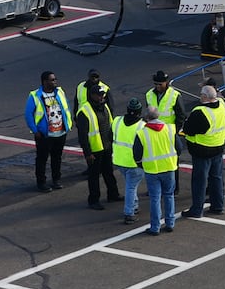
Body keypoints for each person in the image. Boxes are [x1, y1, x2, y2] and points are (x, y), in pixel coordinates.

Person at [180, 84, 225, 218]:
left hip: (202, 150)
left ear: (204, 97)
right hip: (218, 146)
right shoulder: (221, 104)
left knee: (199, 181)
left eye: (201, 94)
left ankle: (197, 209)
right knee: (217, 177)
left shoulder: (200, 112)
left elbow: (188, 129)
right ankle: (218, 205)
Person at [75, 82, 121, 210]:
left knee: (108, 171)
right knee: (94, 176)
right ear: (92, 96)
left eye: (103, 95)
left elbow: (110, 124)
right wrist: (87, 153)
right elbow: (82, 135)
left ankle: (113, 194)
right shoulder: (84, 112)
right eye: (99, 95)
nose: (101, 97)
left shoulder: (104, 107)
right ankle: (93, 200)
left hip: (106, 146)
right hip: (95, 149)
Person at [135, 105, 178, 235]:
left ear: (146, 118)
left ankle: (155, 227)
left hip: (152, 170)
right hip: (169, 167)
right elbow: (179, 147)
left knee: (155, 198)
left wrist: (142, 165)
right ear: (158, 115)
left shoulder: (142, 133)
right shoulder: (170, 129)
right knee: (169, 196)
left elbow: (137, 154)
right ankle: (170, 223)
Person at [24, 71, 70, 192]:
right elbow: (28, 114)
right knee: (42, 159)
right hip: (45, 134)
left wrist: (67, 125)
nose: (55, 82)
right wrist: (35, 130)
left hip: (60, 132)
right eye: (52, 80)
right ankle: (41, 182)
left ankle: (56, 180)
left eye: (55, 79)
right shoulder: (35, 95)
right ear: (45, 82)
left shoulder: (60, 92)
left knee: (57, 158)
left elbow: (66, 107)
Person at [111, 97, 145, 225]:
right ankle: (129, 213)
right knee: (131, 187)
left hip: (119, 160)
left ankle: (134, 206)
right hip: (135, 163)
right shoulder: (142, 126)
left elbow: (110, 136)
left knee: (131, 185)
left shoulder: (117, 121)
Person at [146, 70, 182, 186]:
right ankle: (157, 185)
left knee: (172, 161)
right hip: (153, 132)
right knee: (155, 160)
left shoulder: (175, 95)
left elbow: (181, 115)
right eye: (155, 84)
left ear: (166, 83)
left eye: (160, 84)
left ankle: (174, 186)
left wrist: (174, 131)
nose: (157, 87)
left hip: (168, 133)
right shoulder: (149, 94)